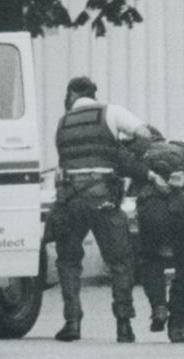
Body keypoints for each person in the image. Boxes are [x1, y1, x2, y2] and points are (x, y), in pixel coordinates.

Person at [50, 76, 150, 342]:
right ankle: (124, 325)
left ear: (72, 94)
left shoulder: (63, 122)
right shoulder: (111, 112)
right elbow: (145, 135)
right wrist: (122, 154)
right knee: (119, 261)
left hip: (69, 199)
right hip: (103, 197)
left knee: (68, 261)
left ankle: (72, 323)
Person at [127, 126, 184, 343]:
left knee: (151, 261)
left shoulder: (139, 154)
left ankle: (158, 306)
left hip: (152, 211)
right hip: (182, 211)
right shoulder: (183, 149)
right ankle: (177, 325)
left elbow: (128, 181)